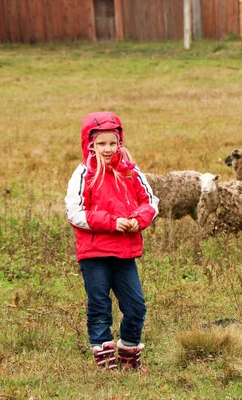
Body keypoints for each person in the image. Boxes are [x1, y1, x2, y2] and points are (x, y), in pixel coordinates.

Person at [65, 112, 158, 373]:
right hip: (94, 252)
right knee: (99, 304)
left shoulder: (130, 170)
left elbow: (149, 201)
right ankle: (106, 361)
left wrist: (139, 219)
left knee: (136, 306)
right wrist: (111, 222)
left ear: (120, 142)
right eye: (101, 143)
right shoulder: (84, 173)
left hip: (125, 252)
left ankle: (129, 358)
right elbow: (75, 212)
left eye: (112, 143)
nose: (107, 149)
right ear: (90, 144)